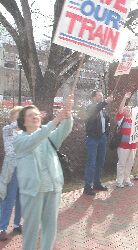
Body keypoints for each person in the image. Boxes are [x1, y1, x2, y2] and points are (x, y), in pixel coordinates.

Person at [13, 96, 74, 250]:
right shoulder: (19, 140)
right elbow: (36, 139)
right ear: (23, 122)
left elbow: (64, 129)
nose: (35, 116)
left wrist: (67, 113)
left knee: (50, 227)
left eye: (36, 114)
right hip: (33, 191)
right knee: (31, 229)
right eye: (30, 115)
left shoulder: (48, 137)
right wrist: (55, 120)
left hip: (53, 188)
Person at [0, 106, 23, 241]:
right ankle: (2, 228)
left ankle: (17, 224)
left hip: (23, 168)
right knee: (9, 198)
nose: (20, 119)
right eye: (18, 116)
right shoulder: (7, 130)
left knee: (21, 197)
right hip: (12, 168)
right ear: (12, 118)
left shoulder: (24, 133)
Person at [84, 90, 113, 196]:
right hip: (92, 138)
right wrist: (105, 101)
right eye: (99, 96)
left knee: (100, 162)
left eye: (102, 95)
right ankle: (87, 186)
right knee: (91, 162)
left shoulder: (103, 110)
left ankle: (97, 183)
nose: (101, 97)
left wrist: (107, 134)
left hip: (102, 138)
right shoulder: (90, 107)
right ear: (93, 97)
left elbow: (107, 122)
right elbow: (96, 109)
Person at [115, 92, 137, 188]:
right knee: (122, 163)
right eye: (126, 109)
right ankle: (119, 181)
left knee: (129, 164)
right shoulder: (121, 119)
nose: (128, 110)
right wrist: (124, 98)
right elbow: (120, 109)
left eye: (129, 109)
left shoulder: (134, 120)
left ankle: (126, 179)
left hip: (133, 146)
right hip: (123, 146)